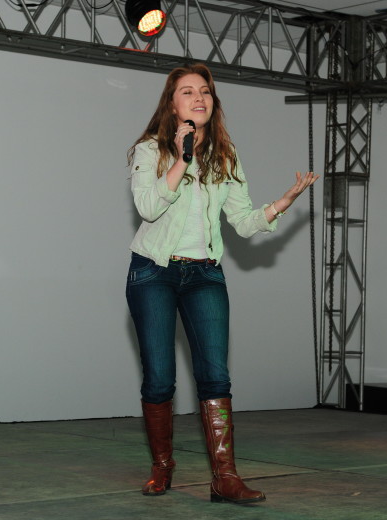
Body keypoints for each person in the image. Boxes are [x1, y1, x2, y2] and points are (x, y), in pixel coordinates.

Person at [125, 63, 319, 504]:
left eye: (205, 91)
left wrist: (282, 203)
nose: (199, 97)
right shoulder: (148, 151)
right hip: (153, 272)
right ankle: (162, 466)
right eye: (188, 91)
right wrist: (181, 157)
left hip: (205, 274)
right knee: (159, 378)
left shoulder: (225, 156)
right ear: (171, 104)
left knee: (215, 376)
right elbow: (148, 207)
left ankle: (225, 477)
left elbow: (244, 223)